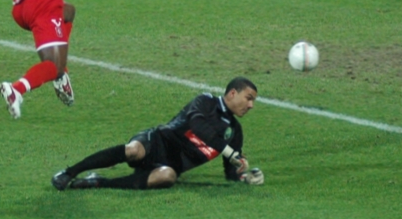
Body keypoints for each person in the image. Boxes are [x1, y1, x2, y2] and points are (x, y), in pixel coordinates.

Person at [51, 77, 265, 190]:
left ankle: (99, 182)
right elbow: (200, 128)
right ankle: (70, 172)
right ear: (233, 93)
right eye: (248, 98)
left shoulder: (234, 132)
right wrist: (229, 152)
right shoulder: (206, 101)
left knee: (167, 177)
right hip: (156, 142)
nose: (251, 105)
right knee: (133, 150)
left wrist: (244, 176)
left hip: (171, 166)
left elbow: (230, 171)